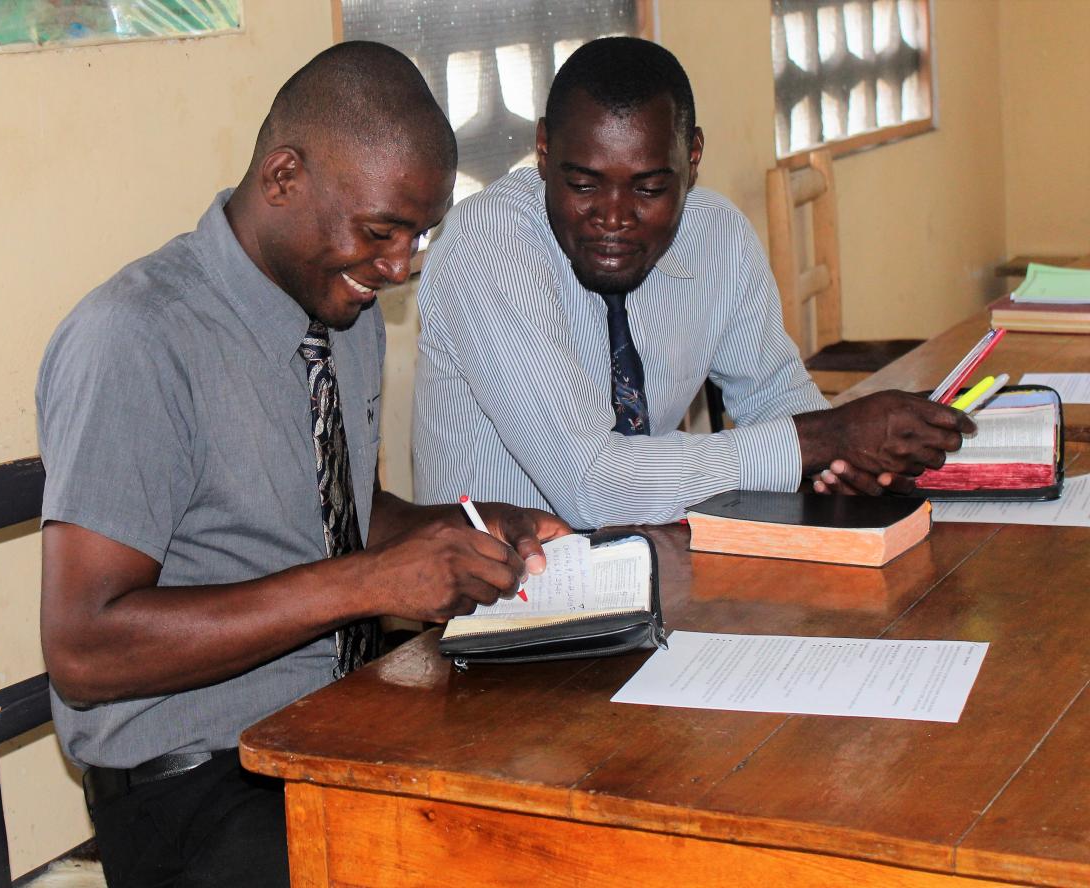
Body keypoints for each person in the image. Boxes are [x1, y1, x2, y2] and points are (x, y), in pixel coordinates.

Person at [36, 42, 568, 887]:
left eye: (418, 235)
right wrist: (370, 583)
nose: (398, 268)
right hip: (197, 788)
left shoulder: (340, 314)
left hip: (335, 730)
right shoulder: (136, 338)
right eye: (380, 231)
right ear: (283, 176)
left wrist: (459, 528)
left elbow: (332, 513)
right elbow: (85, 649)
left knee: (561, 809)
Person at [412, 36, 973, 529]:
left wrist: (849, 468)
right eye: (583, 184)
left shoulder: (716, 236)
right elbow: (596, 486)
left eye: (649, 188)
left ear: (693, 156)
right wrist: (822, 439)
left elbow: (777, 401)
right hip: (503, 607)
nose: (613, 217)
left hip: (660, 568)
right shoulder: (488, 245)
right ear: (542, 149)